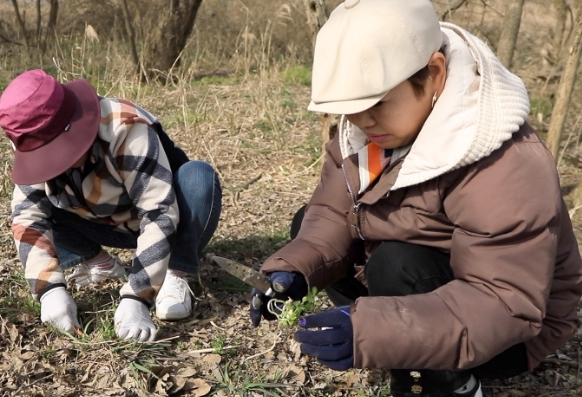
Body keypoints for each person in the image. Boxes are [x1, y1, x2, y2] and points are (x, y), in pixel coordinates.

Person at [249, 1, 582, 396]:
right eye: (352, 110)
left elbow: (503, 302)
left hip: (506, 332)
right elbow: (331, 213)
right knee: (307, 226)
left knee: (397, 262)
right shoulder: (370, 135)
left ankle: (452, 384)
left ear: (436, 73)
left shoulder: (505, 161)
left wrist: (373, 330)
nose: (362, 121)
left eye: (377, 105)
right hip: (421, 290)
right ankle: (398, 335)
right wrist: (293, 271)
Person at [0, 69, 222, 342]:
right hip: (102, 222)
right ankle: (100, 262)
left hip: (169, 218)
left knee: (198, 176)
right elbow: (27, 216)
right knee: (42, 209)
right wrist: (48, 290)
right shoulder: (31, 139)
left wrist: (138, 296)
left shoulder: (124, 125)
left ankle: (176, 271)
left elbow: (159, 212)